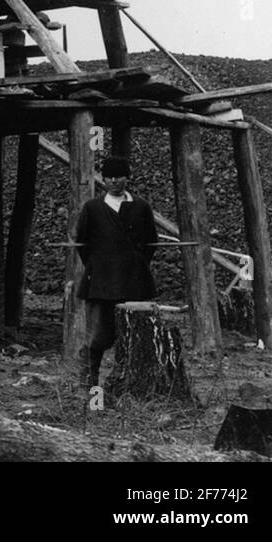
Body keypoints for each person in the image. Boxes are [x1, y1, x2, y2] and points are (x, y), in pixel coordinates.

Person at [75, 156, 158, 387]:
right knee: (98, 334)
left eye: (118, 176)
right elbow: (82, 244)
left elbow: (151, 241)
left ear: (127, 178)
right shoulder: (93, 207)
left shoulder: (141, 206)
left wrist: (137, 263)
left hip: (133, 280)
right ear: (103, 179)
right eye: (109, 176)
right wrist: (97, 266)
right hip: (101, 281)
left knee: (131, 334)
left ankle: (126, 381)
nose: (114, 181)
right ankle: (89, 382)